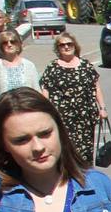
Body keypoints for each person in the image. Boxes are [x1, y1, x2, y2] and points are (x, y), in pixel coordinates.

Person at [39, 33, 105, 167]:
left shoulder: (85, 65)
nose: (66, 47)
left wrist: (102, 108)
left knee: (86, 148)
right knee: (66, 147)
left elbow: (96, 88)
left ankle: (86, 176)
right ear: (58, 48)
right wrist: (44, 113)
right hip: (62, 116)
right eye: (62, 45)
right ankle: (68, 176)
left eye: (69, 44)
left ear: (75, 45)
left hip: (85, 115)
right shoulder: (52, 67)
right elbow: (45, 90)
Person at [0, 30, 40, 106]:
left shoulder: (29, 65)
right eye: (5, 42)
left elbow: (36, 91)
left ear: (18, 45)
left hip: (27, 108)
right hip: (5, 110)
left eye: (12, 41)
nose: (9, 44)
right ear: (1, 46)